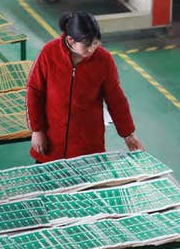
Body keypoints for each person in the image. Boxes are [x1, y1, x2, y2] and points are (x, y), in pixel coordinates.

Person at [26, 11, 144, 163]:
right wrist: (37, 130)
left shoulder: (104, 61)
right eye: (87, 45)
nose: (92, 49)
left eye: (95, 43)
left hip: (87, 147)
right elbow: (35, 92)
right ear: (71, 40)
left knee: (88, 185)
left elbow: (116, 100)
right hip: (51, 143)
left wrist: (128, 134)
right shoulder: (49, 53)